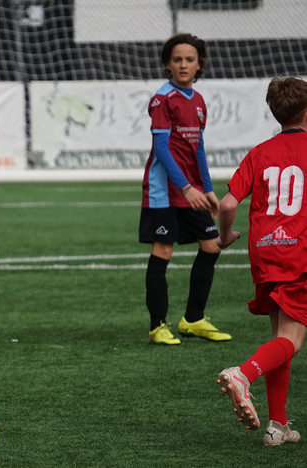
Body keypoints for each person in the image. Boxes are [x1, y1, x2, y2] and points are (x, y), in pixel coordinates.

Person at [216, 76, 307, 445]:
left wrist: (224, 238)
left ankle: (278, 426)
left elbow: (226, 204)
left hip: (266, 251)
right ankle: (244, 373)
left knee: (278, 338)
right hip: (300, 252)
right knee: (293, 339)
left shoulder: (260, 152)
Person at [139, 33, 231, 345]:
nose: (183, 64)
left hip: (192, 190)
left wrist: (206, 188)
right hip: (164, 191)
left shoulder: (200, 101)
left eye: (189, 60)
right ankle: (157, 326)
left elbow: (198, 148)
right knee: (163, 250)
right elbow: (162, 149)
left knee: (211, 247)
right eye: (177, 59)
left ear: (199, 64)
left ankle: (193, 319)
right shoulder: (162, 99)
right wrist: (186, 187)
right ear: (167, 63)